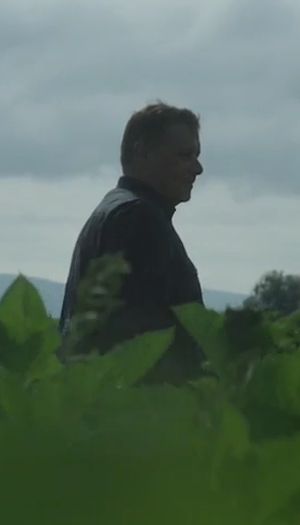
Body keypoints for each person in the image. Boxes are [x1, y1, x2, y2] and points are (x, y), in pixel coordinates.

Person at [58, 101, 207, 384]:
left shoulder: (116, 210)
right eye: (184, 156)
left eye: (196, 155)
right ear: (142, 153)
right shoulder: (137, 218)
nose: (197, 168)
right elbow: (139, 339)